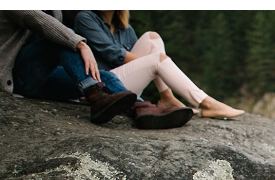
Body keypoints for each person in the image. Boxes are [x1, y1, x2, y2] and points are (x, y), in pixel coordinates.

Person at [0, 10, 192, 129]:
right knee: (62, 37)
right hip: (11, 75)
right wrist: (81, 44)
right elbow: (40, 22)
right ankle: (94, 94)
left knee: (105, 75)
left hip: (42, 81)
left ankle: (140, 109)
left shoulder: (54, 9)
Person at [74, 11, 244, 119]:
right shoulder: (86, 17)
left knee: (152, 37)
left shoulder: (125, 29)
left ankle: (166, 97)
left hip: (124, 88)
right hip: (102, 89)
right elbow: (111, 53)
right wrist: (157, 62)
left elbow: (140, 61)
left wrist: (157, 61)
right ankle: (206, 103)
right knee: (157, 58)